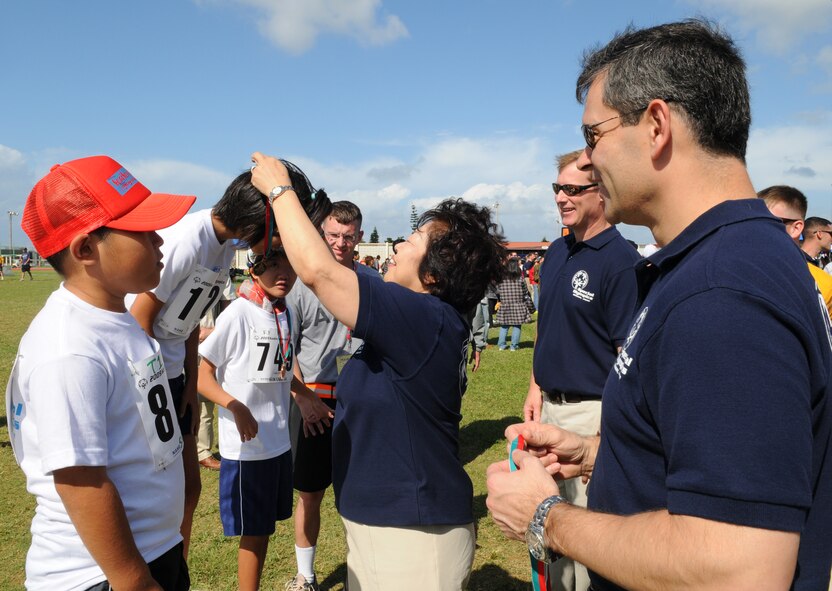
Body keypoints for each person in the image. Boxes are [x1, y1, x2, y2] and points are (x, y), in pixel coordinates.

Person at [486, 20, 832, 591]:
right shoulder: (726, 260)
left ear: (655, 125)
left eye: (593, 135)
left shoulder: (722, 291)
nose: (589, 162)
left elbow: (737, 569)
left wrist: (546, 518)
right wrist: (605, 454)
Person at [250, 152, 506, 591]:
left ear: (435, 276)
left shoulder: (424, 318)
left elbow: (317, 270)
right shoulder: (428, 320)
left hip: (412, 537)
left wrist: (279, 190)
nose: (399, 245)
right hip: (385, 527)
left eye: (414, 239)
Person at [7, 155, 195, 590]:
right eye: (142, 232)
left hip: (150, 551)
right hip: (100, 574)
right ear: (85, 249)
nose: (159, 242)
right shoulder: (69, 348)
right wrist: (133, 580)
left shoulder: (115, 315)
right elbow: (80, 480)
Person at [128, 164, 330, 557]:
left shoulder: (223, 248)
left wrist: (188, 382)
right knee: (159, 494)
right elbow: (138, 323)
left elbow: (187, 321)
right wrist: (159, 397)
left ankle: (177, 575)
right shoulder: (188, 241)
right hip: (146, 380)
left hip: (174, 377)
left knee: (188, 488)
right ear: (261, 219)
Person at [524, 148, 640, 590]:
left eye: (573, 189)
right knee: (548, 532)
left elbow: (627, 358)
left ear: (602, 192)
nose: (561, 198)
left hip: (592, 416)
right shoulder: (556, 251)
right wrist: (536, 387)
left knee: (589, 534)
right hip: (549, 411)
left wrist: (606, 433)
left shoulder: (620, 260)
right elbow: (549, 329)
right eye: (558, 188)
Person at [198, 248, 330, 591]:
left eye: (290, 265)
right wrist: (236, 407)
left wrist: (305, 393)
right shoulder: (239, 313)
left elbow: (279, 368)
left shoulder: (281, 311)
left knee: (265, 528)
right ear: (254, 270)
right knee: (253, 532)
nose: (283, 274)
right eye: (273, 266)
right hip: (247, 450)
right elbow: (202, 376)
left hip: (276, 443)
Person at [284, 200, 381, 591]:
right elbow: (283, 349)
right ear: (322, 235)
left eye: (348, 235)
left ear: (359, 236)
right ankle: (306, 575)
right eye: (333, 235)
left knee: (363, 491)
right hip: (315, 401)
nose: (340, 243)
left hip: (361, 401)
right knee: (310, 493)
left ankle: (367, 570)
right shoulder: (302, 284)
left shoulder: (371, 282)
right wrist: (304, 399)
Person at [758, 185, 832, 315]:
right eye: (752, 221)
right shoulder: (735, 270)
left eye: (767, 222)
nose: (755, 229)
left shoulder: (823, 284)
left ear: (796, 228)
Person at [196, 276, 238, 471]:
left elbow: (228, 310)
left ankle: (204, 449)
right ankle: (198, 449)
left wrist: (213, 332)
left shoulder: (222, 276)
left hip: (211, 342)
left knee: (209, 398)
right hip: (184, 342)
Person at [495, 257, 534, 351]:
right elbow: (525, 292)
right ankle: (514, 346)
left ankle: (501, 345)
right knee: (517, 326)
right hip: (518, 305)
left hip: (505, 305)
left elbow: (497, 290)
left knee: (504, 326)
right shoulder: (520, 279)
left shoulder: (501, 279)